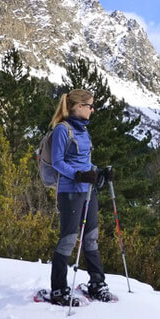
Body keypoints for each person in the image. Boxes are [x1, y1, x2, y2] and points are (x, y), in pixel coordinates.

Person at [48, 89, 112, 305]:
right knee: (68, 240)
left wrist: (98, 172)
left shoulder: (84, 131)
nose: (92, 110)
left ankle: (97, 283)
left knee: (91, 238)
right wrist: (78, 175)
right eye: (90, 106)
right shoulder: (62, 130)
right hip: (69, 192)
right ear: (78, 106)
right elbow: (57, 162)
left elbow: (85, 161)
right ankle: (58, 290)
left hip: (88, 190)